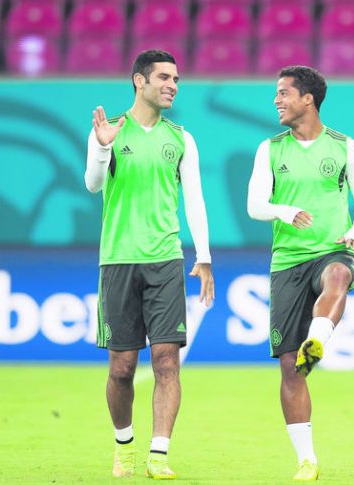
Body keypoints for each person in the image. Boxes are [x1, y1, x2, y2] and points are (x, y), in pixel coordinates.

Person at [84, 49, 215, 480]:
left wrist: (204, 257)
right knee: (121, 368)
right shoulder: (109, 131)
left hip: (165, 259)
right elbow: (93, 184)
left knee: (166, 361)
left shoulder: (182, 138)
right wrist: (103, 149)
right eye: (164, 77)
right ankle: (124, 446)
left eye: (176, 78)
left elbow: (194, 200)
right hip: (118, 261)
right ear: (139, 81)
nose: (173, 84)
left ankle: (159, 454)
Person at [246, 65, 354, 481]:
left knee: (338, 275)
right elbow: (254, 205)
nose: (276, 100)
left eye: (284, 93)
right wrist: (285, 210)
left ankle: (318, 339)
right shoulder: (270, 149)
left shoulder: (345, 147)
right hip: (287, 261)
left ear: (308, 99)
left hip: (333, 248)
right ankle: (307, 459)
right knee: (290, 367)